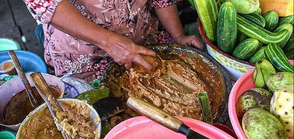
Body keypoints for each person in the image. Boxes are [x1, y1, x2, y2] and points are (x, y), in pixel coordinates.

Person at [23, 0, 204, 82]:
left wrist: (178, 35)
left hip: (142, 35)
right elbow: (44, 4)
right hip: (83, 51)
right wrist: (109, 42)